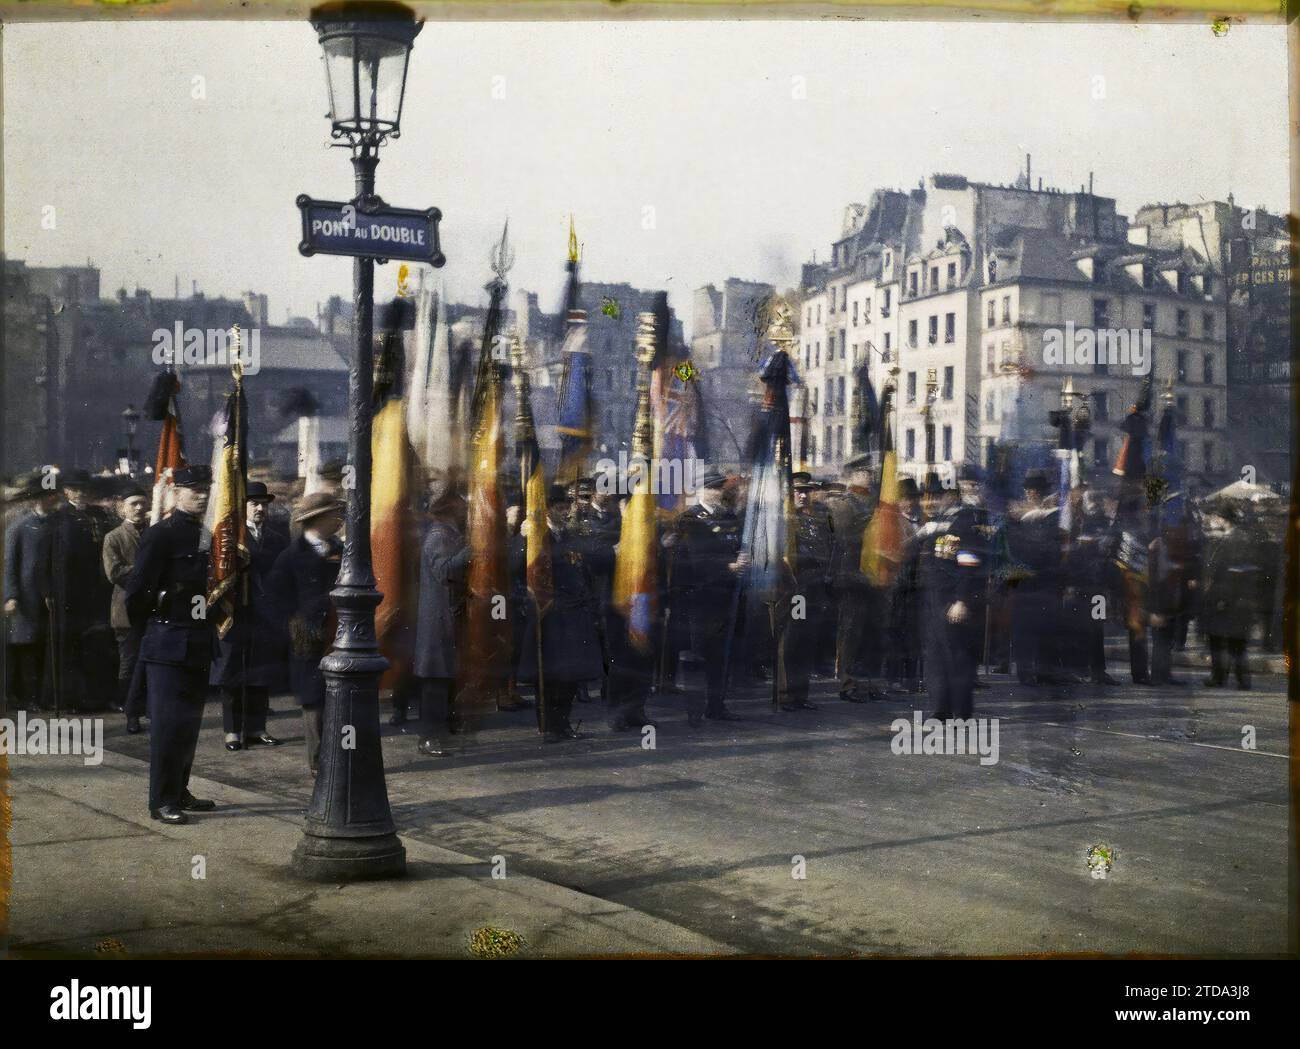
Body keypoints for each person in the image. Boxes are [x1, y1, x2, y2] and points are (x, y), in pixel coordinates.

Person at [123, 464, 218, 825]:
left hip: (197, 642)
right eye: (193, 489)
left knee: (189, 725)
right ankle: (161, 800)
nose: (202, 495)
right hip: (166, 643)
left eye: (206, 489)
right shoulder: (160, 535)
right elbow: (137, 593)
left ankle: (179, 790)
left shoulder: (206, 534)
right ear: (176, 492)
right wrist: (157, 622)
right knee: (166, 726)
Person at [514, 486, 605, 740]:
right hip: (550, 616)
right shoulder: (536, 537)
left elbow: (586, 566)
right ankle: (548, 726)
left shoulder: (569, 535)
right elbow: (514, 565)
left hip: (575, 614)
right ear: (547, 510)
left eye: (567, 507)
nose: (565, 512)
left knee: (570, 676)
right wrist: (523, 539)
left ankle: (563, 723)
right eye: (559, 507)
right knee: (549, 675)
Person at [269, 492, 345, 774]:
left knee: (339, 696)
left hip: (338, 632)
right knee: (314, 701)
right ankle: (318, 762)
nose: (338, 520)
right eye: (332, 515)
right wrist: (295, 624)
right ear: (317, 520)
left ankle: (339, 756)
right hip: (308, 637)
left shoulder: (340, 549)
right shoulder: (290, 556)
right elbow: (276, 598)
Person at [211, 482, 289, 751]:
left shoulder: (278, 538)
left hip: (265, 615)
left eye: (264, 504)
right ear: (242, 506)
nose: (260, 509)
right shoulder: (229, 538)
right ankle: (232, 731)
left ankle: (257, 728)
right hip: (235, 613)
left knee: (260, 672)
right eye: (254, 503)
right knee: (232, 672)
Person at [671, 470, 746, 724]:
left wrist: (743, 560)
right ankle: (695, 711)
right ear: (701, 490)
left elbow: (736, 547)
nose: (717, 493)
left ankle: (717, 705)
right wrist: (728, 567)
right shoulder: (690, 519)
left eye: (719, 489)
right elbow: (696, 560)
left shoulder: (729, 517)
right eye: (712, 489)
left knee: (721, 655)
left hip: (726, 596)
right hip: (700, 599)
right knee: (699, 656)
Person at [915, 472, 987, 720]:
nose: (933, 501)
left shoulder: (963, 522)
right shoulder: (936, 524)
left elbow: (968, 563)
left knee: (956, 655)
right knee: (935, 655)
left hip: (951, 598)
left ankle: (960, 711)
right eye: (930, 496)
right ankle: (939, 709)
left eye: (939, 496)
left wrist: (961, 600)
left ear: (953, 496)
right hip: (933, 597)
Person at [411, 484, 469, 757]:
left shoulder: (449, 533)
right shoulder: (438, 536)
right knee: (435, 682)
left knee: (443, 680)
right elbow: (444, 570)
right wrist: (472, 551)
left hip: (446, 618)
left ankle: (440, 733)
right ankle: (428, 737)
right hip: (437, 621)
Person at [776, 472, 833, 711]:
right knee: (792, 640)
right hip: (794, 588)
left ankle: (801, 693)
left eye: (806, 491)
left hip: (815, 588)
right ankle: (787, 694)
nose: (802, 495)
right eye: (797, 491)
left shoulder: (816, 519)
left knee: (808, 641)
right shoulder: (784, 520)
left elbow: (828, 548)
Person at [827, 454, 881, 702]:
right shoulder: (844, 504)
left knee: (872, 630)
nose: (868, 477)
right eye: (863, 473)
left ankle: (869, 683)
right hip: (851, 574)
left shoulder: (873, 503)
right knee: (850, 631)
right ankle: (847, 682)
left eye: (869, 473)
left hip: (872, 574)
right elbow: (842, 540)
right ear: (853, 476)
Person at [4, 471, 60, 708]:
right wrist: (11, 595)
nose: (52, 499)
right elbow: (10, 564)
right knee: (26, 647)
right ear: (37, 498)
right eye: (47, 496)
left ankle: (42, 696)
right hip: (26, 598)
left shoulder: (58, 523)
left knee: (45, 648)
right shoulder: (19, 527)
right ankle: (28, 697)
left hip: (50, 596)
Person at [102, 485, 150, 730]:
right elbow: (114, 572)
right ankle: (132, 714)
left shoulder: (154, 532)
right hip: (126, 610)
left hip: (153, 608)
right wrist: (145, 569)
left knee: (152, 660)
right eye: (134, 503)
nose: (140, 508)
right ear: (122, 507)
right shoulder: (114, 537)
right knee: (129, 663)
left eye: (143, 502)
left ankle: (151, 709)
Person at [1200, 504, 1259, 690]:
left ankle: (1221, 677)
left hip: (1227, 598)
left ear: (1224, 519)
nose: (1213, 520)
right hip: (1232, 599)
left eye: (1216, 516)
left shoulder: (1236, 540)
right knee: (1234, 642)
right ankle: (1237, 679)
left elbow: (1233, 572)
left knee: (1222, 640)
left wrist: (1222, 598)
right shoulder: (1232, 538)